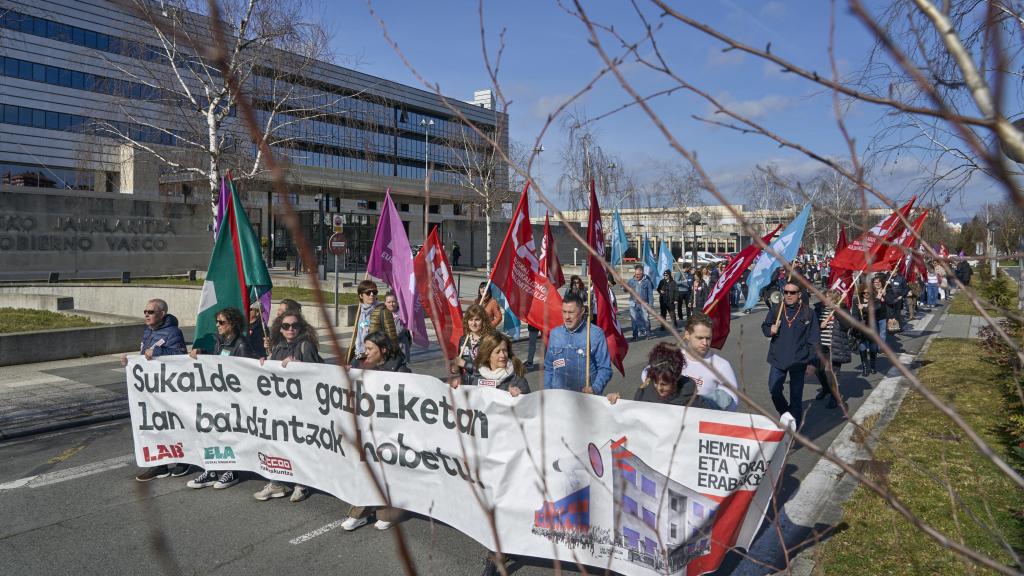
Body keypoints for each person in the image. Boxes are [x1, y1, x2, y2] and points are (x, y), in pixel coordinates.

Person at [343, 331, 410, 532]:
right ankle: (359, 512)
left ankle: (389, 511)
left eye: (370, 348)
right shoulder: (360, 365)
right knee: (366, 468)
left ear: (384, 350)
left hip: (390, 431)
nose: (366, 352)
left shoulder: (401, 371)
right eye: (365, 347)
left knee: (389, 472)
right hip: (367, 428)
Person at [186, 306, 257, 490]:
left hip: (233, 400)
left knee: (231, 434)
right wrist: (201, 354)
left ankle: (232, 471)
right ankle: (212, 469)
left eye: (221, 322)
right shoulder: (220, 341)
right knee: (211, 432)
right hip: (218, 397)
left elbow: (247, 373)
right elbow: (216, 363)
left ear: (232, 324)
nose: (217, 325)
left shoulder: (241, 345)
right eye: (216, 322)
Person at [254, 310, 322, 503]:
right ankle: (276, 482)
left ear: (301, 328)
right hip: (280, 407)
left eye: (294, 325)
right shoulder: (278, 347)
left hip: (301, 408)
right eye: (286, 326)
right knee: (277, 444)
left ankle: (302, 484)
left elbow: (319, 374)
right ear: (280, 329)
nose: (290, 329)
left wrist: (299, 365)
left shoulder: (305, 346)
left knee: (299, 446)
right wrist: (264, 363)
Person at [125, 298, 189, 482]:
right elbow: (145, 357)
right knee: (155, 426)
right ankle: (160, 465)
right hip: (151, 389)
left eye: (151, 312)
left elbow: (180, 356)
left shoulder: (173, 332)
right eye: (145, 312)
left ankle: (183, 460)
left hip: (169, 387)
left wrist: (159, 353)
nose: (147, 315)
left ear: (162, 314)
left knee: (174, 425)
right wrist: (130, 361)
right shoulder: (148, 331)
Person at [762, 282, 820, 429]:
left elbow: (814, 340)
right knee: (774, 389)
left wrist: (812, 363)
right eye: (786, 292)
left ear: (799, 294)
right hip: (778, 358)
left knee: (796, 396)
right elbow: (765, 326)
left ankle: (794, 429)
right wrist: (770, 330)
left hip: (799, 360)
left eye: (792, 292)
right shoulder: (776, 309)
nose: (788, 295)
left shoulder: (808, 313)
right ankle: (785, 412)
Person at [544, 294, 611, 394]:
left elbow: (605, 368)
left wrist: (595, 388)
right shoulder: (555, 334)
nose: (567, 317)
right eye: (564, 312)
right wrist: (547, 392)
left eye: (571, 312)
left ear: (582, 311)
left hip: (584, 398)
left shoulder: (595, 334)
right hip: (558, 397)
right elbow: (549, 368)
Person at [606, 343, 709, 407]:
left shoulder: (693, 400)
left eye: (664, 384)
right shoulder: (643, 395)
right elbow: (632, 422)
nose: (659, 388)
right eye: (655, 382)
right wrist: (617, 404)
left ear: (676, 378)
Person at [679, 313, 739, 411]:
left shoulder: (721, 366)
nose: (705, 343)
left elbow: (732, 401)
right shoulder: (674, 357)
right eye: (700, 338)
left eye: (708, 338)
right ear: (687, 335)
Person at [812, 290, 852, 409]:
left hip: (835, 346)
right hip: (821, 346)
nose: (825, 299)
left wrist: (838, 311)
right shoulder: (819, 309)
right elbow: (812, 325)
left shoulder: (842, 309)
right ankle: (826, 389)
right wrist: (820, 324)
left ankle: (835, 397)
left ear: (835, 299)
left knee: (832, 373)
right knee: (818, 371)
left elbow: (847, 326)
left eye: (828, 297)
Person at [465, 332, 530, 396]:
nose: (503, 355)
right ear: (487, 356)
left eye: (504, 350)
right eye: (497, 352)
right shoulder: (478, 378)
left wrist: (519, 396)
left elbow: (528, 400)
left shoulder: (517, 379)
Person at [348, 280, 398, 364]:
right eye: (368, 292)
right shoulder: (360, 312)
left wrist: (388, 358)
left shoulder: (383, 311)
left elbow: (392, 338)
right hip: (360, 354)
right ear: (361, 295)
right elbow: (357, 335)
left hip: (376, 357)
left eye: (374, 292)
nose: (372, 295)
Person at [450, 304, 495, 385]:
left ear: (483, 321)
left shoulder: (489, 340)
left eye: (477, 320)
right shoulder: (463, 339)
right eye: (471, 320)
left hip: (483, 384)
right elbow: (461, 362)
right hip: (466, 384)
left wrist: (465, 364)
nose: (473, 323)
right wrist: (455, 369)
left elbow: (490, 367)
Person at [852, 282, 886, 376]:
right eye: (864, 293)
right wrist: (857, 322)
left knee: (873, 347)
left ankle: (873, 365)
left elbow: (875, 309)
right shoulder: (856, 300)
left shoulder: (875, 299)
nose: (866, 294)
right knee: (862, 346)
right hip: (861, 327)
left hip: (873, 326)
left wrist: (863, 308)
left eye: (868, 292)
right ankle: (865, 367)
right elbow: (854, 313)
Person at [626, 265, 653, 341]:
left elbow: (650, 294)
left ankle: (648, 334)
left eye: (638, 274)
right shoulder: (631, 281)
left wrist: (650, 305)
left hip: (643, 303)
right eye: (635, 274)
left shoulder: (647, 281)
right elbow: (625, 290)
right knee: (634, 320)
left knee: (646, 319)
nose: (636, 276)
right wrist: (624, 287)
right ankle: (635, 336)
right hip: (633, 303)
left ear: (642, 273)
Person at [384, 293, 412, 363]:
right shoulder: (382, 314)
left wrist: (383, 337)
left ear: (397, 302)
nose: (391, 304)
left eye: (393, 302)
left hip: (400, 347)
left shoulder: (403, 314)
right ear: (385, 303)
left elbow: (399, 332)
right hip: (386, 349)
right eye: (389, 302)